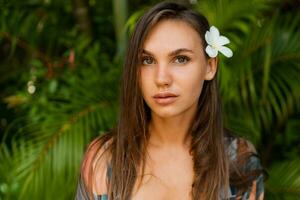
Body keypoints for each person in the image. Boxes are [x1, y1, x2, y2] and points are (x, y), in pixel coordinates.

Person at [76, 1, 264, 200]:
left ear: (210, 66)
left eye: (180, 59)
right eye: (147, 60)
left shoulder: (238, 162)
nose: (161, 79)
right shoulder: (105, 158)